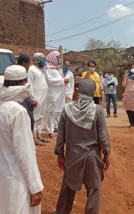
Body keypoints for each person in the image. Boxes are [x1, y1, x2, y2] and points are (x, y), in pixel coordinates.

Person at [0, 65, 44, 213]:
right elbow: (25, 153)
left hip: (1, 175)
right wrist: (35, 186)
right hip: (18, 177)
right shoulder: (18, 112)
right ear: (23, 84)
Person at [52, 79, 110, 214]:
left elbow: (60, 137)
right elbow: (104, 137)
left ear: (78, 91)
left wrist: (60, 155)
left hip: (73, 155)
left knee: (68, 186)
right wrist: (106, 155)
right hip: (92, 156)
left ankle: (61, 212)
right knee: (94, 188)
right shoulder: (97, 111)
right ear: (92, 92)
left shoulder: (67, 109)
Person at [45, 51, 68, 139]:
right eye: (58, 58)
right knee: (51, 112)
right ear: (53, 58)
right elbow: (50, 80)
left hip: (60, 95)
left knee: (59, 112)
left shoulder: (57, 69)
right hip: (53, 94)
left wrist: (65, 81)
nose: (59, 59)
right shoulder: (48, 68)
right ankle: (50, 131)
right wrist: (62, 81)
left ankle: (59, 129)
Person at [28, 53, 49, 146]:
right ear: (38, 60)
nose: (44, 62)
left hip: (42, 98)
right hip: (36, 98)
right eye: (43, 60)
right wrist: (32, 98)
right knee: (34, 118)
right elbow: (30, 85)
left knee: (40, 117)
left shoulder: (40, 70)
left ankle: (39, 134)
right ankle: (34, 137)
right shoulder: (31, 70)